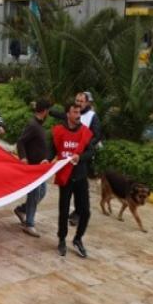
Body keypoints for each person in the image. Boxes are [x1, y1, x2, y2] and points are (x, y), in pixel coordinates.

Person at [50, 91, 103, 226]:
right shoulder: (72, 112)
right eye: (77, 100)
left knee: (81, 191)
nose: (79, 103)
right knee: (67, 192)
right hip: (67, 159)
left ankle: (78, 213)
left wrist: (85, 145)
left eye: (81, 101)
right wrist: (47, 110)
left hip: (82, 159)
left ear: (87, 103)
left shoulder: (93, 117)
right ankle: (69, 218)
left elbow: (97, 135)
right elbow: (61, 115)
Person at [52, 103, 95, 258]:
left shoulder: (84, 132)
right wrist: (45, 160)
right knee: (63, 210)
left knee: (86, 211)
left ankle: (78, 239)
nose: (78, 115)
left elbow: (91, 151)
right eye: (75, 112)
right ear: (68, 114)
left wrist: (80, 157)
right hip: (65, 177)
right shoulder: (58, 131)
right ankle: (62, 238)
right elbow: (52, 149)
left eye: (79, 112)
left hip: (81, 177)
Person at [13, 99, 52, 237]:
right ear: (45, 111)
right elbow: (21, 141)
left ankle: (22, 210)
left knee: (42, 192)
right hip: (33, 168)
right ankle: (29, 223)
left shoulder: (39, 126)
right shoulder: (33, 125)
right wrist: (23, 158)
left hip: (40, 168)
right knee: (35, 193)